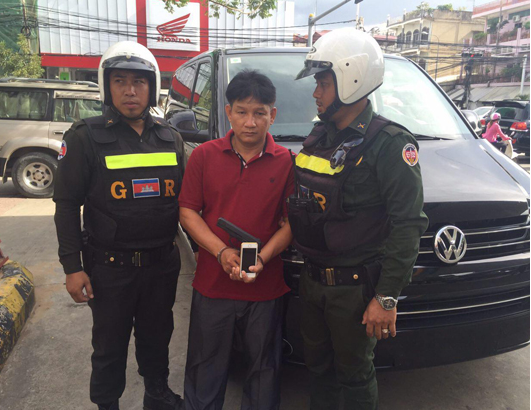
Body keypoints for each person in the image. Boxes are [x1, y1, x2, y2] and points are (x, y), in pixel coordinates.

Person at [290, 28, 429, 409]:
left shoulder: (390, 144)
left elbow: (407, 226)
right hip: (312, 281)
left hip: (353, 289)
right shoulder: (320, 136)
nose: (316, 93)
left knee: (354, 376)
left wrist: (386, 297)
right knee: (318, 370)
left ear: (351, 79)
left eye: (323, 83)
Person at [53, 41, 184, 410]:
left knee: (157, 339)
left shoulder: (170, 137)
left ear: (152, 86)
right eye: (120, 81)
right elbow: (67, 206)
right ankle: (107, 403)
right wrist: (72, 267)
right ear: (106, 85)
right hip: (110, 269)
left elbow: (187, 203)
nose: (130, 91)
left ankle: (157, 395)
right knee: (109, 347)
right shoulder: (84, 137)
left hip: (160, 266)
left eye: (139, 82)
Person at [178, 70, 295, 410]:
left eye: (260, 113)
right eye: (242, 111)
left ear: (273, 115)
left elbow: (291, 224)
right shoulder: (204, 156)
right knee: (204, 370)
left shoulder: (287, 163)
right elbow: (187, 212)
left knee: (263, 373)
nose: (250, 122)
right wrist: (221, 252)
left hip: (265, 289)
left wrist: (263, 258)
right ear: (228, 112)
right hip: (212, 286)